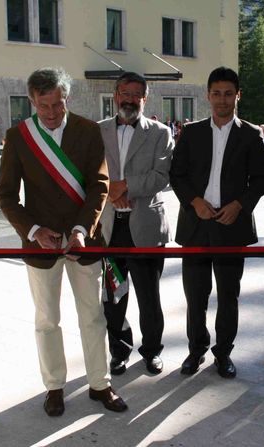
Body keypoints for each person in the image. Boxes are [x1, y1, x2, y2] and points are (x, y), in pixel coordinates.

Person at [0, 67, 127, 417]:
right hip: (40, 246)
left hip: (84, 241)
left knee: (93, 316)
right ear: (32, 101)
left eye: (58, 104)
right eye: (44, 106)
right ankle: (54, 387)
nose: (52, 113)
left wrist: (83, 229)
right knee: (47, 320)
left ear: (66, 98)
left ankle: (100, 383)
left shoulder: (88, 130)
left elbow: (99, 186)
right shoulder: (18, 137)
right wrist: (34, 230)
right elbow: (6, 196)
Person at [170, 67, 264, 379]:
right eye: (216, 93)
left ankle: (223, 353)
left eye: (228, 94)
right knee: (195, 296)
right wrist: (194, 201)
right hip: (195, 224)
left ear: (238, 96)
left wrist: (240, 205)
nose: (222, 100)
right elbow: (177, 175)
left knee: (228, 295)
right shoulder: (192, 132)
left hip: (231, 225)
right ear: (208, 95)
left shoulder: (251, 134)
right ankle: (195, 349)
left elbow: (261, 179)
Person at [98, 72, 174, 376]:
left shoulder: (160, 133)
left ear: (145, 98)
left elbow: (161, 177)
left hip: (145, 230)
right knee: (114, 297)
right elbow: (89, 173)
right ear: (116, 95)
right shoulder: (98, 131)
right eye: (125, 93)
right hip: (110, 230)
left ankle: (152, 351)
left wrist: (124, 186)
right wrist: (110, 192)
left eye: (136, 95)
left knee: (149, 297)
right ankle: (119, 351)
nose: (130, 100)